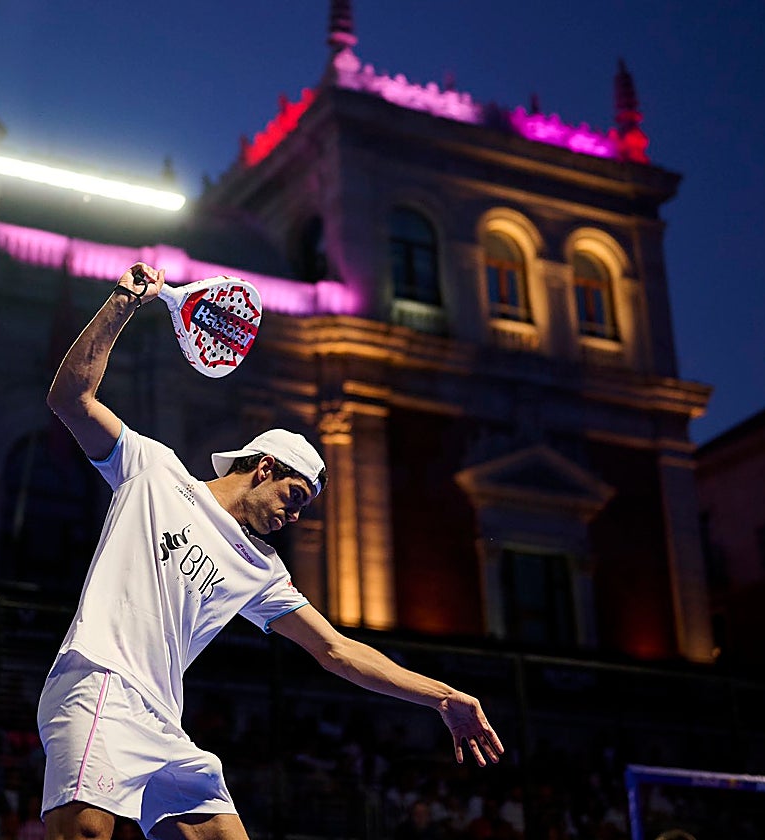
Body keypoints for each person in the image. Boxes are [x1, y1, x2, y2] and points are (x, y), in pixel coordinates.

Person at [38, 263, 504, 840]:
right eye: (295, 494)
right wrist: (122, 303)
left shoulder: (260, 568)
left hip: (161, 719)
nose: (295, 515)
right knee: (84, 832)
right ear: (263, 467)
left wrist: (442, 698)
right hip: (100, 683)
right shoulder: (153, 470)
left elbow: (336, 650)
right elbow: (70, 398)